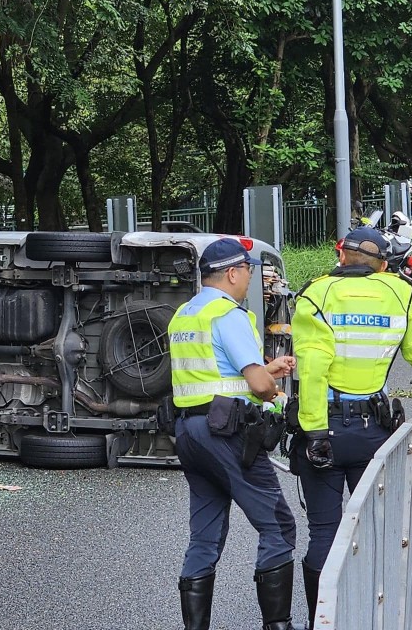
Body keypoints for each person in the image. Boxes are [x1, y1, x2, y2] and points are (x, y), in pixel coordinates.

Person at [290, 226, 412, 629]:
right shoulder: (402, 295)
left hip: (326, 432)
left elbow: (313, 368)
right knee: (378, 529)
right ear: (384, 264)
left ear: (341, 257)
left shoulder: (315, 294)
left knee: (323, 533)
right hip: (374, 431)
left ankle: (324, 622)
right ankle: (377, 616)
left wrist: (315, 432)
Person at [169, 237, 299, 630]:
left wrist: (265, 370)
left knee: (205, 534)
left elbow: (214, 375)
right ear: (232, 272)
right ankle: (278, 626)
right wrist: (275, 390)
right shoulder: (229, 315)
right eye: (247, 272)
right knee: (278, 525)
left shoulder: (185, 315)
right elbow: (258, 387)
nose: (249, 281)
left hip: (189, 431)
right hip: (228, 433)